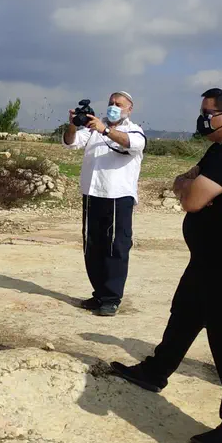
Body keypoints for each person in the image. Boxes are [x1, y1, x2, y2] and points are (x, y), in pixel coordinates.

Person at [110, 86, 222, 443]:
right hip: (210, 257)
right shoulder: (221, 148)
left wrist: (189, 186)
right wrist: (188, 183)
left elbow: (192, 199)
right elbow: (187, 180)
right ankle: (155, 372)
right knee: (184, 313)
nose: (203, 119)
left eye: (208, 113)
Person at [62, 91, 146, 317]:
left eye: (119, 104)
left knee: (115, 246)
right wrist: (72, 125)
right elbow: (71, 143)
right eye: (111, 103)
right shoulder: (93, 129)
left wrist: (105, 130)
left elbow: (133, 144)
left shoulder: (134, 130)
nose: (113, 107)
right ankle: (99, 293)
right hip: (92, 193)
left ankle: (111, 298)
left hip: (118, 196)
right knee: (93, 245)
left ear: (129, 109)